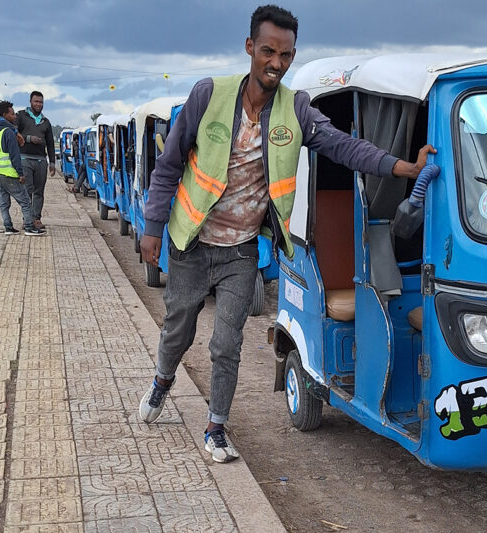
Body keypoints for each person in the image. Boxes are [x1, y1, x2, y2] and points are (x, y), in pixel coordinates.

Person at [137, 4, 435, 463]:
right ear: (250, 47)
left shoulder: (296, 108)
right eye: (269, 51)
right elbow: (169, 165)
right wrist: (153, 228)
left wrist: (402, 166)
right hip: (190, 243)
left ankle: (216, 427)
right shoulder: (208, 96)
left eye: (287, 55)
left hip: (240, 250)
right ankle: (162, 380)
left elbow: (343, 147)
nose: (276, 63)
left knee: (227, 342)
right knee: (178, 332)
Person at [0, 101, 44, 236]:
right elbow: (14, 155)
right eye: (12, 114)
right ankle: (29, 227)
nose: (15, 116)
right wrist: (20, 173)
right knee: (25, 201)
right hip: (9, 172)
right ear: (4, 115)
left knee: (3, 201)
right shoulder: (8, 132)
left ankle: (8, 226)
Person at [15, 90, 57, 231]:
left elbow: (50, 143)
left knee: (39, 191)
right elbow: (13, 133)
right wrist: (28, 139)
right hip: (25, 158)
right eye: (36, 101)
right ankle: (27, 219)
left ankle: (36, 219)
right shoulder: (21, 116)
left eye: (41, 102)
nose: (38, 104)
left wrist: (52, 162)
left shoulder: (46, 121)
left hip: (41, 160)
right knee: (27, 191)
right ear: (30, 102)